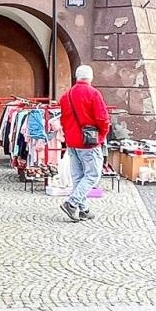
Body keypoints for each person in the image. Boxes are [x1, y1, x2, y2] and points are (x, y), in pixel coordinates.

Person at [58, 64, 110, 222]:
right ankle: (72, 203)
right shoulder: (93, 93)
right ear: (91, 77)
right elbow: (102, 118)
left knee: (78, 176)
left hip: (72, 141)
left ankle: (84, 209)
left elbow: (63, 120)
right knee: (93, 174)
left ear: (76, 77)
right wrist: (102, 135)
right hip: (89, 141)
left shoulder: (65, 96)